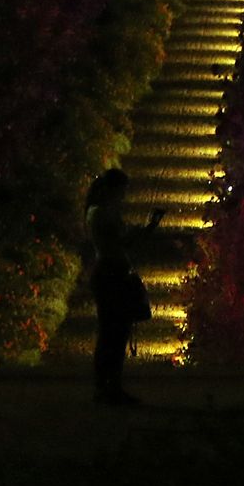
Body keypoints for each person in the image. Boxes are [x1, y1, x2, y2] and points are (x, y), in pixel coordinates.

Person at [84, 169, 163, 405]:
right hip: (111, 274)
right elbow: (122, 242)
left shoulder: (99, 212)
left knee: (113, 332)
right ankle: (108, 388)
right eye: (121, 190)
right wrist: (149, 228)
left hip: (110, 272)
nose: (123, 196)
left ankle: (108, 387)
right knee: (113, 332)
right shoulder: (101, 214)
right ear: (112, 189)